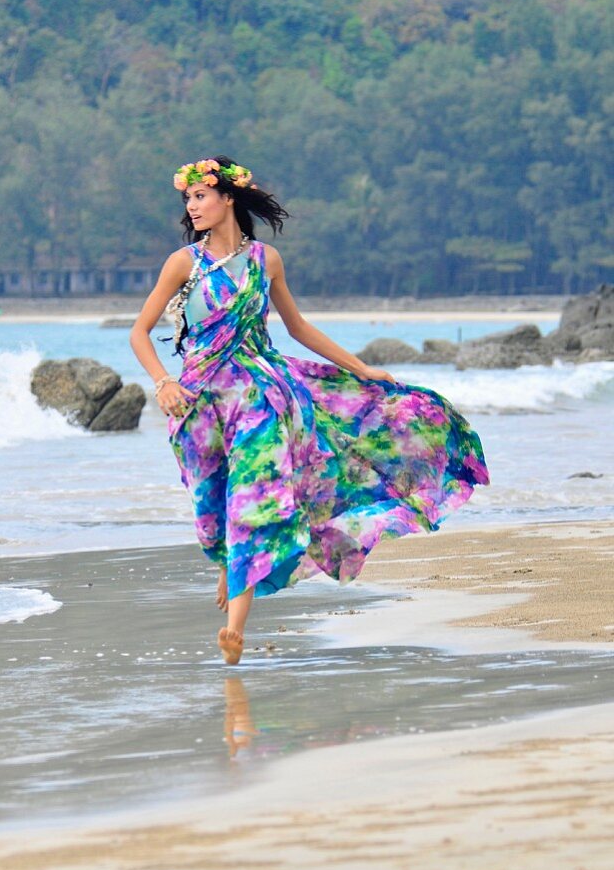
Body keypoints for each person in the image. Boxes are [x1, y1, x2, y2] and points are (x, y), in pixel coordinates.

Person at [129, 156, 490, 666]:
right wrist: (162, 382)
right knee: (214, 508)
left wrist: (361, 368)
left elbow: (298, 328)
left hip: (263, 396)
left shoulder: (265, 260)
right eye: (187, 200)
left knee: (255, 500)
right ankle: (231, 560)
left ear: (227, 197)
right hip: (198, 404)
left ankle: (235, 627)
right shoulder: (182, 263)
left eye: (200, 197)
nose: (192, 207)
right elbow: (139, 332)